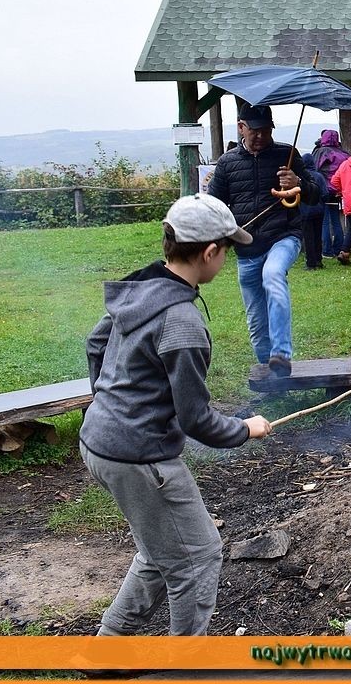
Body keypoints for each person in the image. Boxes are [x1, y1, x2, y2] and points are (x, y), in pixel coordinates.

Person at [79, 193, 273, 635]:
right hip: (138, 457)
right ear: (210, 252)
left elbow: (96, 343)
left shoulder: (143, 288)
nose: (225, 258)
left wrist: (110, 404)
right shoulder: (182, 322)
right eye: (226, 250)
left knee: (161, 552)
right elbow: (195, 419)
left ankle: (108, 648)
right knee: (198, 557)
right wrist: (245, 428)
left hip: (100, 440)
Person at [208, 104, 318, 378]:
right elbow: (214, 205)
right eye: (254, 131)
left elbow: (317, 194)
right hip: (247, 248)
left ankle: (281, 353)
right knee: (257, 323)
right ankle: (273, 380)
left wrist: (298, 182)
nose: (260, 136)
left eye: (266, 131)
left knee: (273, 275)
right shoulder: (227, 163)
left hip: (284, 236)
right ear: (241, 127)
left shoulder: (287, 155)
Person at [313, 130, 348, 259]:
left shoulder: (322, 152)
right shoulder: (343, 154)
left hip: (323, 189)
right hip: (337, 191)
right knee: (336, 220)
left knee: (324, 221)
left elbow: (314, 169)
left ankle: (326, 250)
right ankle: (338, 248)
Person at [298, 153, 328, 270]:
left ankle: (310, 263)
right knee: (317, 236)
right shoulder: (319, 176)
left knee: (308, 237)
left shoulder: (301, 177)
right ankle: (318, 260)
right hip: (319, 211)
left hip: (304, 211)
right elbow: (325, 194)